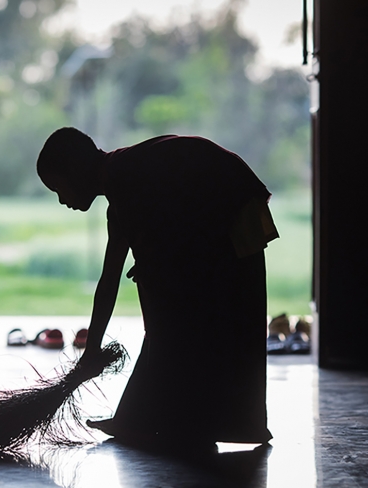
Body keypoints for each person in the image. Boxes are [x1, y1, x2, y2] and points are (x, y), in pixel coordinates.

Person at [36, 127, 279, 449]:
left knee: (212, 311)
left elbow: (188, 215)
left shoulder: (126, 179)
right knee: (166, 289)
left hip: (235, 208)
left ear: (75, 171)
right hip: (228, 208)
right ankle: (152, 417)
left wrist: (161, 262)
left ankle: (180, 418)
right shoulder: (119, 195)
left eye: (58, 188)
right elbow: (108, 281)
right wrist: (90, 351)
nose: (61, 199)